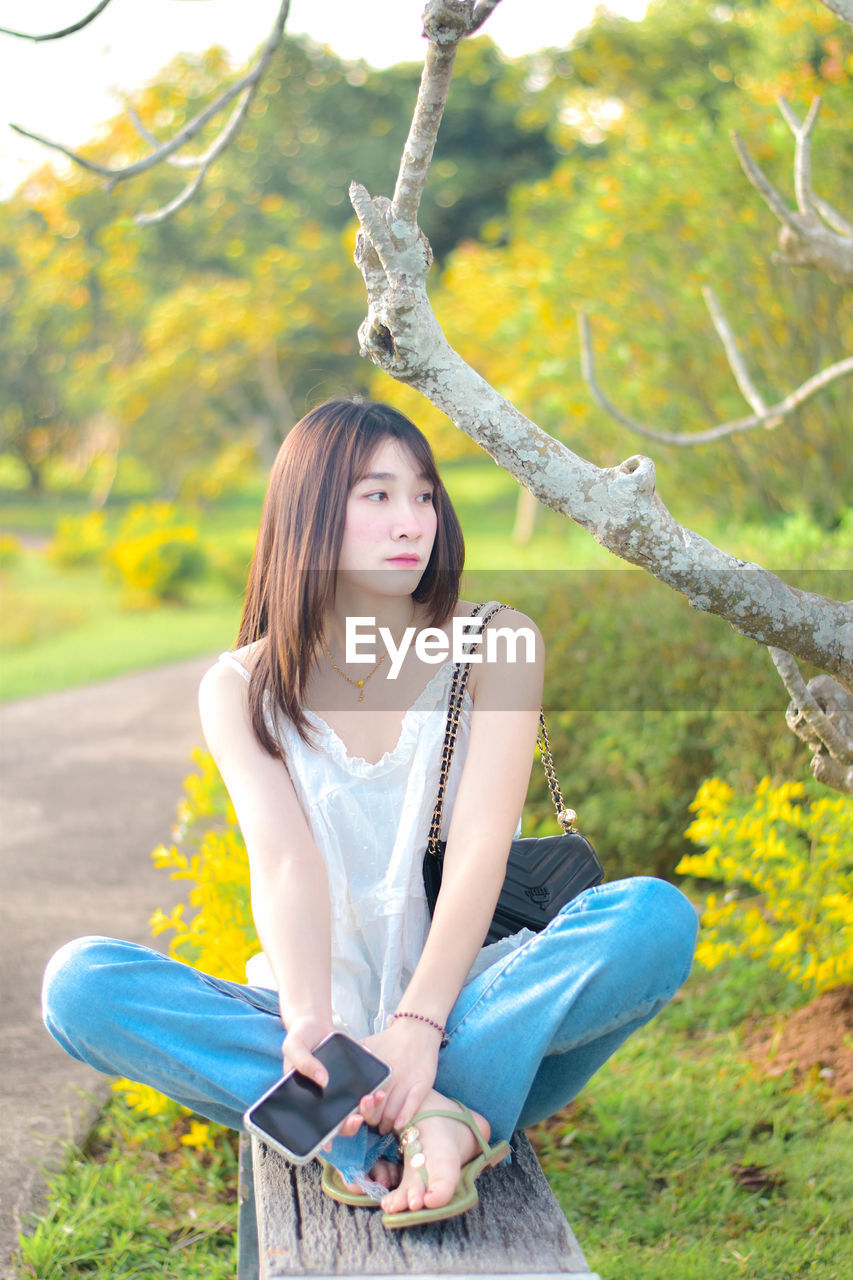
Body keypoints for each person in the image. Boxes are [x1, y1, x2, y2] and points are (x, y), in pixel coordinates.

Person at [42, 398, 699, 1228]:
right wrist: (314, 1030)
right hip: (323, 1030)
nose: (412, 520)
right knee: (81, 985)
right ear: (309, 510)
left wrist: (420, 1029)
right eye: (377, 495)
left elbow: (477, 853)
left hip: (479, 1011)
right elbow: (284, 864)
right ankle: (417, 1123)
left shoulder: (495, 646)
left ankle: (384, 1121)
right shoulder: (241, 687)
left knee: (652, 918)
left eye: (424, 495)